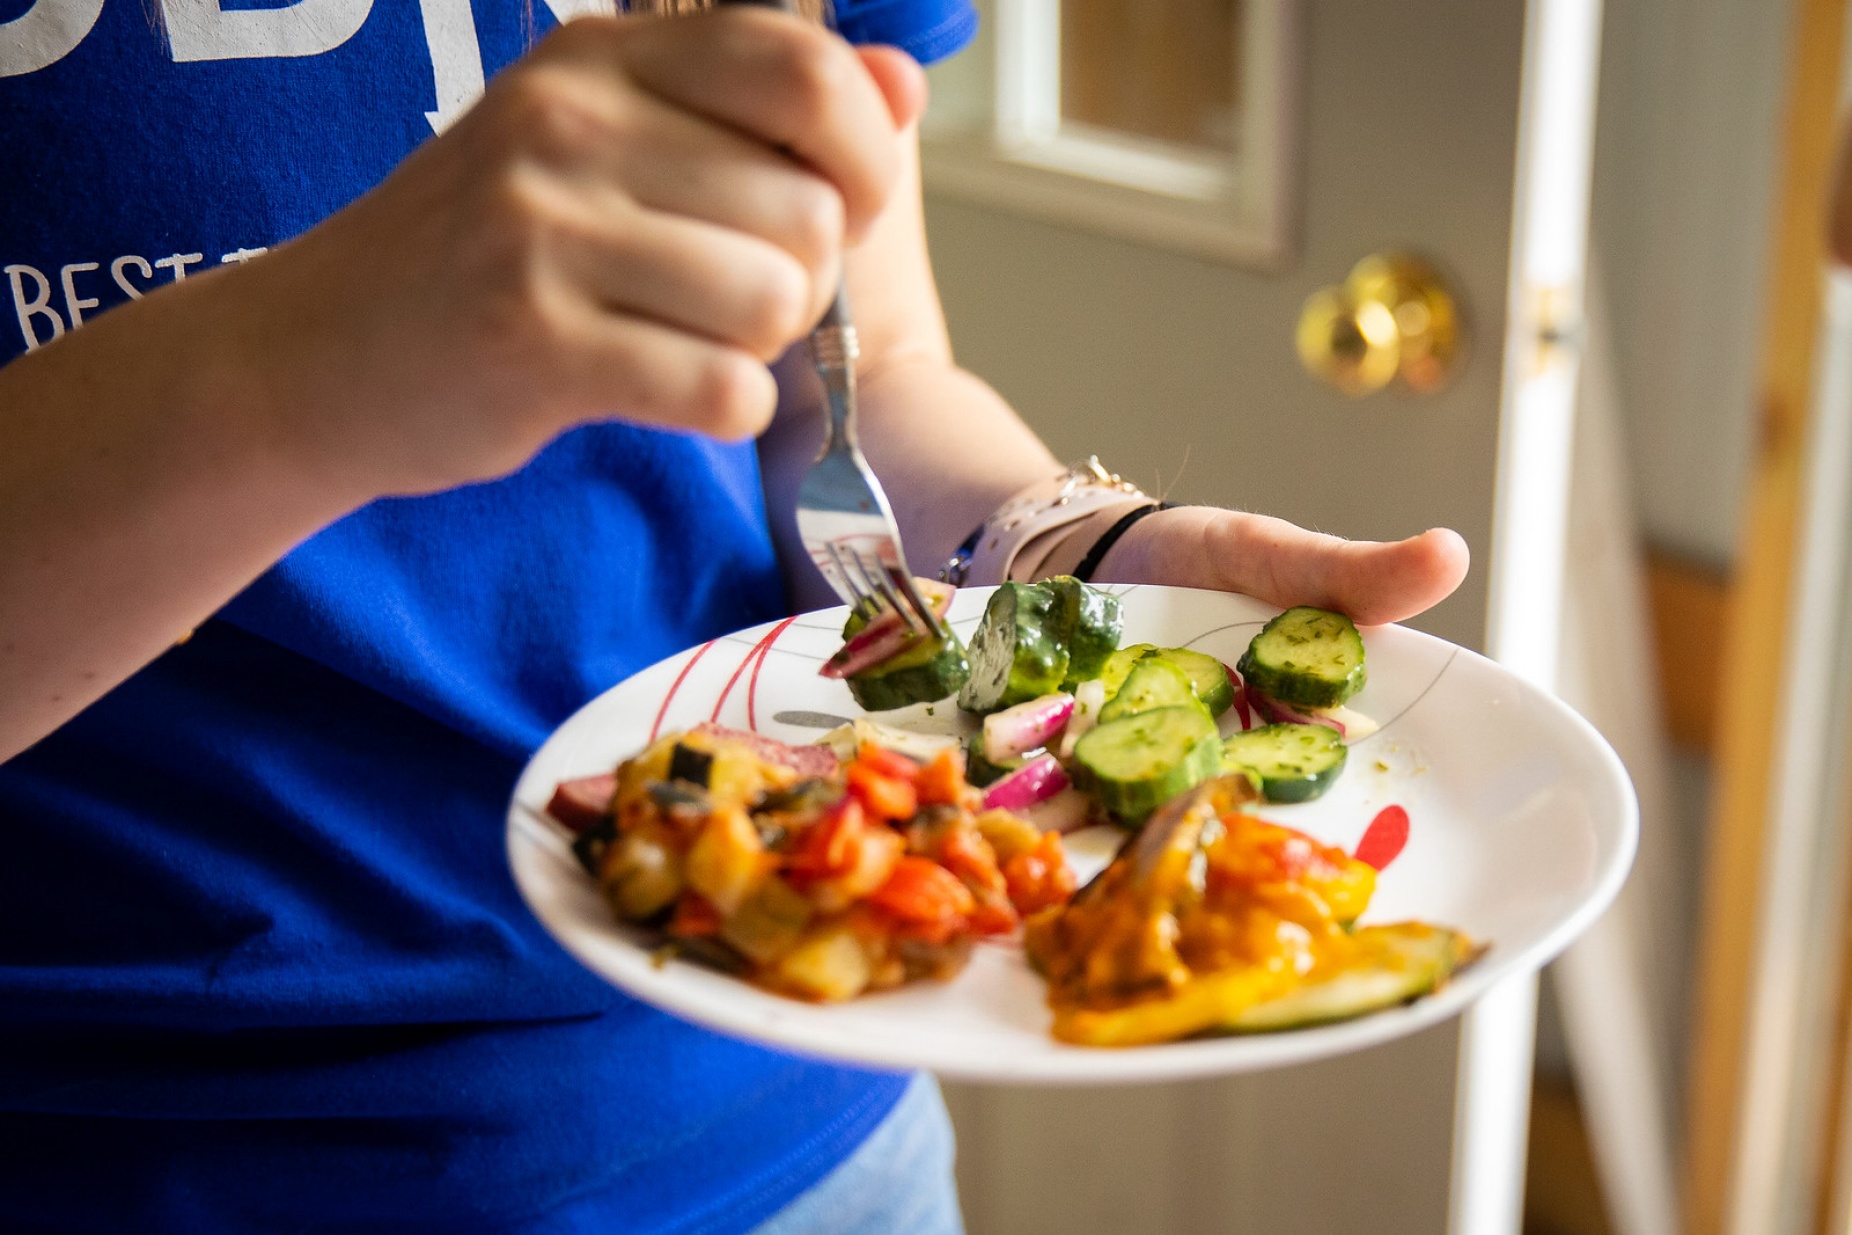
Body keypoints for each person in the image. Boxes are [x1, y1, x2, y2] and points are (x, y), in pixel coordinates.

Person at [0, 0, 1468, 1230]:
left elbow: (856, 366)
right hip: (132, 1167)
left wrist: (1065, 544)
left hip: (817, 1133)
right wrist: (300, 358)